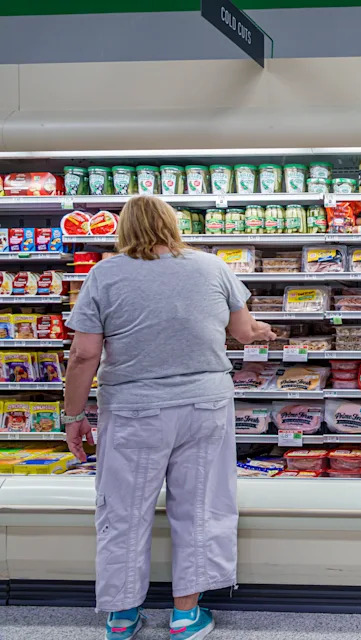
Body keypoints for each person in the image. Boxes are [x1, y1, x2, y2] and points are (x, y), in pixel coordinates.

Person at [62, 195, 274, 640]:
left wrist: (74, 415)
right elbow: (242, 331)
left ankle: (121, 616)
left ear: (123, 230)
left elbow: (83, 355)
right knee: (200, 507)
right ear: (173, 225)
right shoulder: (212, 267)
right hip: (205, 406)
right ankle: (185, 616)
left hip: (134, 410)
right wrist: (263, 332)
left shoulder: (103, 275)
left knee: (124, 510)